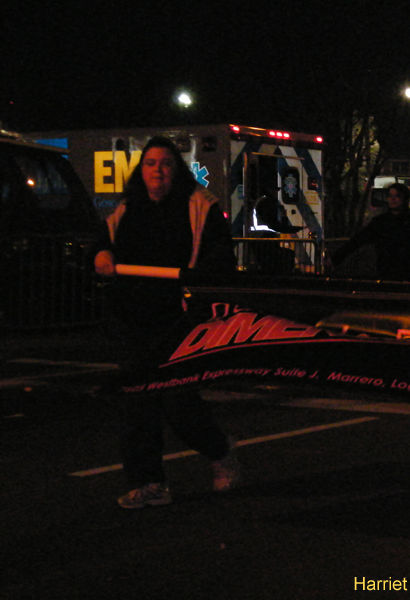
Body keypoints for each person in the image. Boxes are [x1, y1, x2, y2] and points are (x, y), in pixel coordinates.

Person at [94, 136, 241, 509]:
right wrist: (100, 253)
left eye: (165, 163)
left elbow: (219, 257)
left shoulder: (199, 207)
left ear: (177, 170)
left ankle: (220, 451)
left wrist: (197, 281)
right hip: (131, 318)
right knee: (136, 405)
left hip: (177, 318)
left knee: (179, 402)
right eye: (150, 163)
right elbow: (100, 240)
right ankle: (149, 483)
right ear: (140, 171)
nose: (157, 170)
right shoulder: (127, 209)